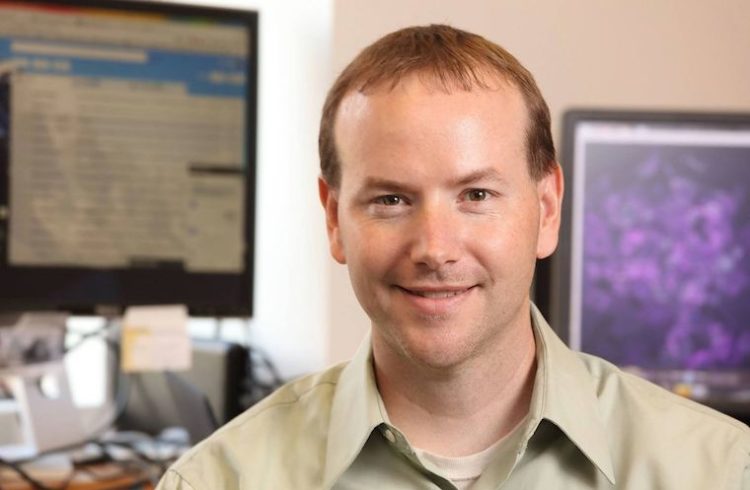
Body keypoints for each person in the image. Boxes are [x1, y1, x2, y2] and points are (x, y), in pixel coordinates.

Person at [157, 25, 750, 489]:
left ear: (547, 210)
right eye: (391, 199)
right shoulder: (217, 480)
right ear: (334, 218)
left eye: (476, 195)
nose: (435, 249)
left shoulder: (720, 472)